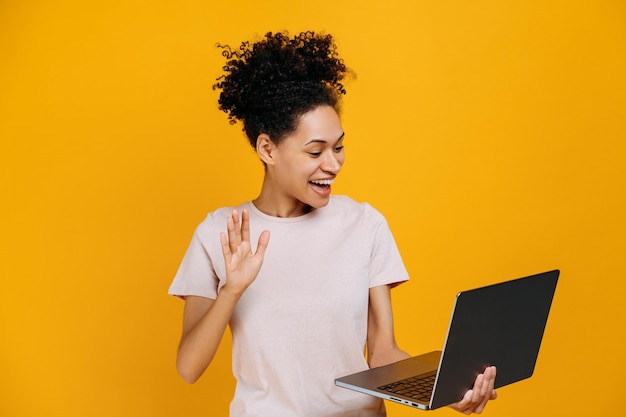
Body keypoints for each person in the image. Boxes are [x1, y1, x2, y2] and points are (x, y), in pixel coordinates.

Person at [169, 31, 497, 416]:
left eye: (339, 147)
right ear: (267, 149)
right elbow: (188, 368)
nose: (333, 164)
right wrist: (232, 290)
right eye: (315, 151)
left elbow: (382, 351)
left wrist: (449, 388)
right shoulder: (220, 233)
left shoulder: (364, 224)